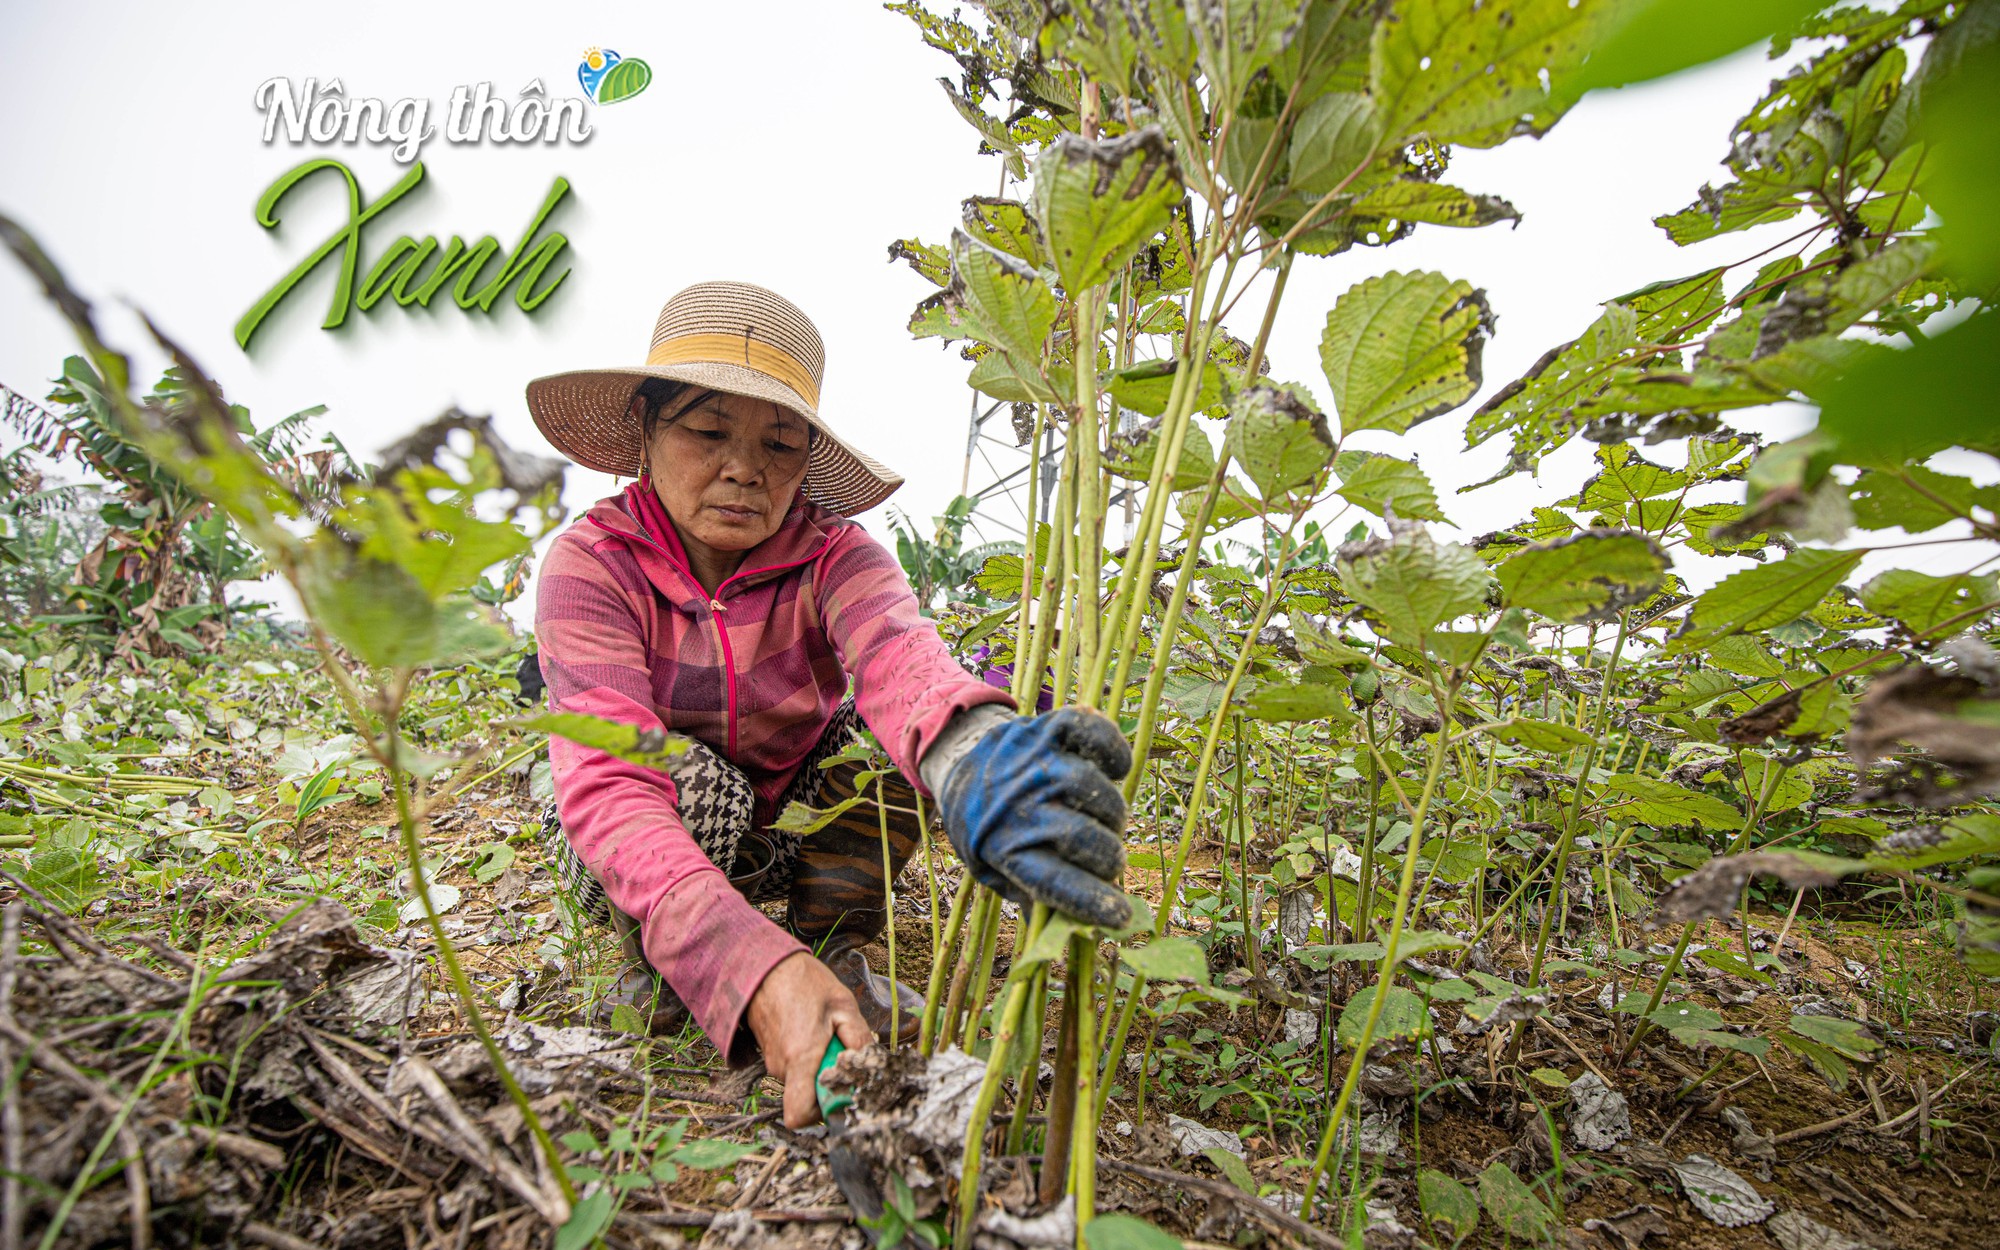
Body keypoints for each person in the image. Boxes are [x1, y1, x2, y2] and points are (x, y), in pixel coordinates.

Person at [525, 280, 1132, 1128]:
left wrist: (970, 751)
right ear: (644, 433)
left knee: (875, 749)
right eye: (707, 432)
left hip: (789, 825)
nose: (744, 469)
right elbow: (612, 784)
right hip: (658, 835)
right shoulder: (593, 564)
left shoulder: (834, 556)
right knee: (687, 778)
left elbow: (900, 662)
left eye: (779, 444)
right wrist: (747, 967)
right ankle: (669, 963)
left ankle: (832, 945)